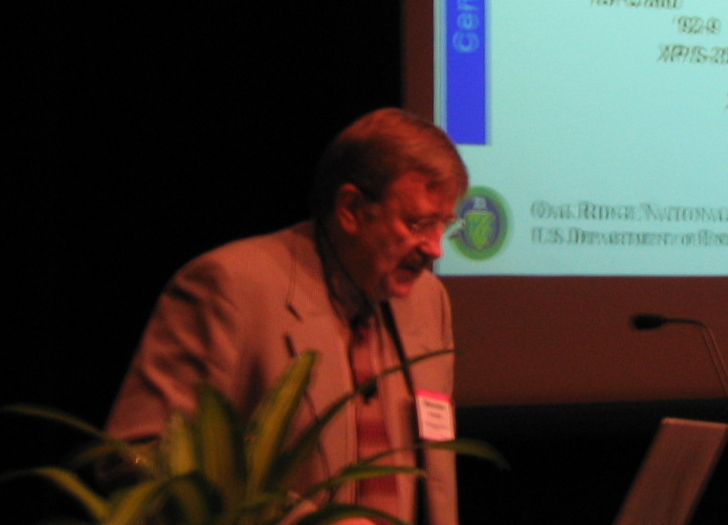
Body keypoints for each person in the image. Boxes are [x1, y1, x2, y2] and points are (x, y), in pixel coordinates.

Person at [107, 108, 468, 525]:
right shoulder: (229, 288)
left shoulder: (428, 302)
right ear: (351, 208)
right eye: (418, 223)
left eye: (445, 224)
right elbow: (139, 458)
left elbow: (435, 478)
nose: (435, 249)